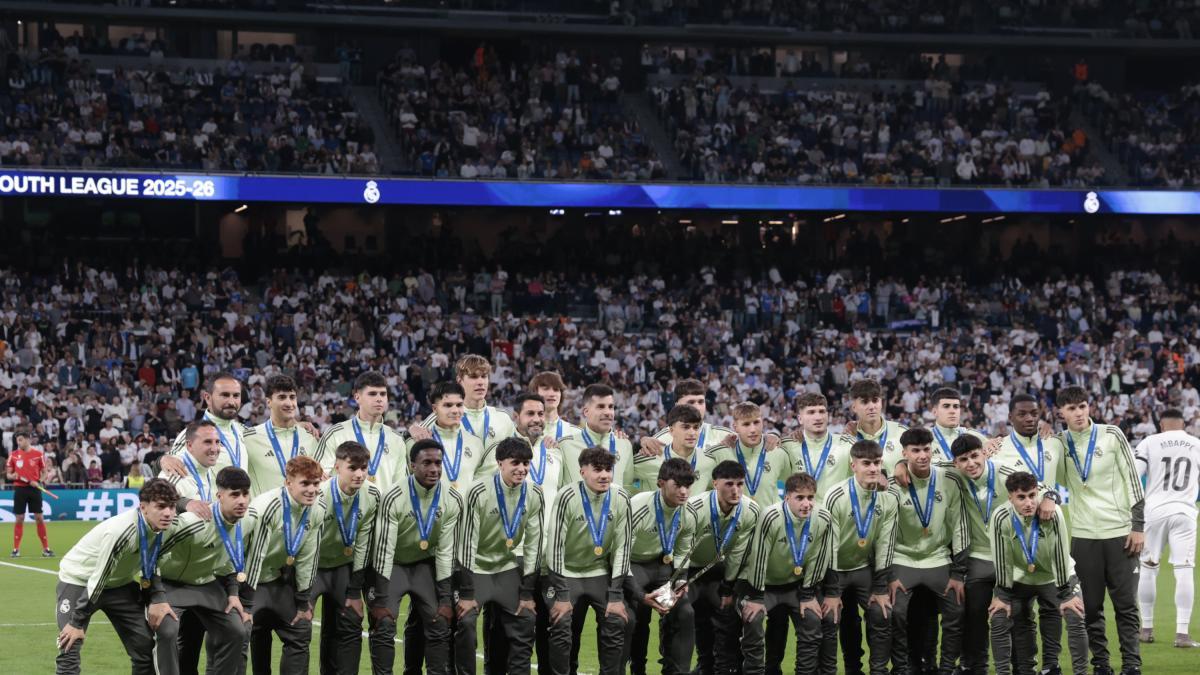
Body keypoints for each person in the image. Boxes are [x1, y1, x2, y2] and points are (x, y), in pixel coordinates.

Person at [1056, 385, 1145, 675]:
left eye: (1082, 406)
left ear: (1088, 406)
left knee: (1126, 606)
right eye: (1071, 409)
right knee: (1090, 608)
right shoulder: (1059, 443)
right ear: (1061, 413)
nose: (1079, 413)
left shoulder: (1112, 434)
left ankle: (1131, 664)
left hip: (1120, 534)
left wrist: (1138, 526)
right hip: (1083, 538)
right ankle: (1102, 665)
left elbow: (1133, 479)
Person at [54, 478, 181, 675]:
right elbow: (99, 579)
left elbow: (153, 562)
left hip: (119, 585)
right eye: (161, 506)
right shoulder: (122, 531)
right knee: (70, 643)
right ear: (143, 507)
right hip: (80, 581)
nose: (168, 513)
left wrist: (158, 597)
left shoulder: (168, 527)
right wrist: (77, 622)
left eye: (172, 507)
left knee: (145, 648)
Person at [369, 438, 463, 675]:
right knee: (384, 622)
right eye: (427, 463)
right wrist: (380, 598)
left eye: (438, 463)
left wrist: (444, 600)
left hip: (424, 566)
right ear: (412, 465)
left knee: (439, 621)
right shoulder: (394, 495)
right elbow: (384, 549)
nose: (434, 469)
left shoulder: (452, 499)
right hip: (393, 566)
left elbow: (445, 552)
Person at [153, 467, 257, 675]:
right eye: (235, 494)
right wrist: (156, 596)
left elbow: (230, 560)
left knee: (237, 631)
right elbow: (153, 551)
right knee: (167, 630)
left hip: (207, 584)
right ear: (219, 496)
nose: (242, 501)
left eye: (245, 494)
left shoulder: (248, 519)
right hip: (172, 585)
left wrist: (234, 594)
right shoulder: (192, 523)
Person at [455, 436, 545, 674]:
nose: (522, 469)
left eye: (526, 463)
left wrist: (527, 593)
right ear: (500, 463)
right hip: (476, 569)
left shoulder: (535, 493)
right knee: (464, 622)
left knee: (526, 619)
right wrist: (466, 592)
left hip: (506, 568)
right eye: (515, 463)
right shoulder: (478, 490)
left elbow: (534, 546)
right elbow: (467, 543)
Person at [988, 471, 1089, 675]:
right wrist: (1003, 596)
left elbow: (1060, 553)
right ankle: (1020, 669)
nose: (1029, 503)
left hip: (1057, 576)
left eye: (1032, 495)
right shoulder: (1001, 516)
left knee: (1075, 614)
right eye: (1021, 497)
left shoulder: (1053, 513)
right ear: (1010, 497)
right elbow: (1002, 560)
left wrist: (1066, 594)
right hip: (1021, 577)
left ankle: (1062, 668)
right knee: (999, 616)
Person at [886, 428, 968, 675]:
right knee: (896, 613)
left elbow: (959, 526)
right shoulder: (892, 485)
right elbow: (884, 534)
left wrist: (958, 573)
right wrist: (889, 576)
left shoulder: (949, 479)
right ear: (904, 453)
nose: (922, 455)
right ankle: (902, 667)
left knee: (956, 611)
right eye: (915, 450)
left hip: (938, 558)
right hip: (903, 558)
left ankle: (945, 668)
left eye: (926, 449)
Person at [546, 446, 632, 675]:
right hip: (567, 572)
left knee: (617, 620)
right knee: (562, 624)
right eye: (597, 470)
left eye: (608, 469)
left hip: (598, 572)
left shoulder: (621, 497)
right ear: (582, 471)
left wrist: (616, 596)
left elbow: (624, 547)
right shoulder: (566, 496)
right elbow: (555, 546)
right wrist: (562, 594)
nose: (604, 475)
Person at [741, 472, 837, 675]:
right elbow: (759, 557)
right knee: (753, 620)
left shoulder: (823, 517)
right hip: (764, 587)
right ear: (787, 497)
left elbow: (819, 558)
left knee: (812, 620)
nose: (806, 504)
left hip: (796, 586)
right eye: (799, 498)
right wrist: (757, 598)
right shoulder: (771, 516)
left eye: (810, 497)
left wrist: (808, 595)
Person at [243, 455, 328, 675]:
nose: (312, 489)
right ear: (288, 483)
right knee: (246, 632)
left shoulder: (318, 507)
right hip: (248, 580)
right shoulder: (269, 506)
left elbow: (309, 556)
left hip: (278, 579)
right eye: (305, 483)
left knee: (300, 630)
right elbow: (255, 555)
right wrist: (245, 604)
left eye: (316, 483)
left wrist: (303, 601)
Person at [821, 440, 897, 675]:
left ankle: (878, 670)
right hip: (834, 570)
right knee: (831, 618)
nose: (873, 468)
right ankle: (837, 670)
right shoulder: (836, 496)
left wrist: (881, 587)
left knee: (881, 613)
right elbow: (828, 546)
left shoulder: (888, 499)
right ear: (853, 465)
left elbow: (885, 544)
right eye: (866, 463)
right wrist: (832, 592)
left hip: (864, 568)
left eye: (877, 463)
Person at [683, 460, 761, 675]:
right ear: (715, 483)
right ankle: (694, 667)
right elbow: (682, 548)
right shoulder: (695, 508)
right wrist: (680, 580)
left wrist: (728, 588)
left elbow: (738, 554)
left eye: (740, 484)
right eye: (729, 484)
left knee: (727, 618)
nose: (735, 490)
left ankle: (725, 668)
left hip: (722, 571)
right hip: (690, 571)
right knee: (684, 616)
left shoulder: (750, 509)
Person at [312, 441, 382, 674]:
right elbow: (304, 543)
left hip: (343, 567)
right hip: (312, 568)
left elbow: (363, 543)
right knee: (299, 629)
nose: (360, 474)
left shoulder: (372, 495)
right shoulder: (319, 495)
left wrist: (354, 591)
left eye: (364, 468)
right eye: (352, 468)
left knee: (350, 625)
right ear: (336, 467)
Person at [623, 457, 696, 675]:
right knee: (636, 616)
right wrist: (638, 594)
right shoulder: (639, 506)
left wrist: (681, 580)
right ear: (661, 483)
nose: (684, 491)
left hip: (663, 570)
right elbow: (621, 553)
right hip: (632, 565)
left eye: (688, 486)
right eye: (678, 485)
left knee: (684, 612)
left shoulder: (688, 512)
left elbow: (683, 552)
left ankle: (676, 671)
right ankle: (637, 669)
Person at [1134, 409, 1200, 648]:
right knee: (1184, 570)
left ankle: (1146, 629)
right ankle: (1182, 634)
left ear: (1161, 425)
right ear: (1184, 424)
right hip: (1184, 512)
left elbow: (1134, 473)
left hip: (1153, 512)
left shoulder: (1150, 442)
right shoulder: (1196, 443)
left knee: (1148, 569)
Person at [948, 433, 1012, 675]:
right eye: (963, 459)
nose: (971, 463)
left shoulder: (1005, 474)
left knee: (1016, 615)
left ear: (985, 453)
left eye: (975, 456)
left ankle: (1023, 665)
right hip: (978, 558)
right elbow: (928, 466)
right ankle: (974, 666)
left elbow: (1039, 488)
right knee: (973, 615)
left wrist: (1049, 498)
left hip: (1009, 559)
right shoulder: (954, 477)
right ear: (956, 463)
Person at [315, 371, 408, 488]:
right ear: (357, 397)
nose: (379, 399)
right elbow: (318, 477)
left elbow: (402, 486)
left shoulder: (397, 439)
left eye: (383, 394)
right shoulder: (335, 433)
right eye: (372, 394)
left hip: (385, 506)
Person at [706, 402, 793, 509]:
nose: (753, 430)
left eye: (756, 422)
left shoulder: (778, 452)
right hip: (733, 524)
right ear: (735, 427)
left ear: (763, 423)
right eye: (746, 424)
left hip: (769, 523)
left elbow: (794, 485)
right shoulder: (720, 453)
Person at [243, 375, 318, 497]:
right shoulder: (249, 438)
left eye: (292, 397)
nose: (289, 403)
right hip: (264, 515)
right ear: (269, 402)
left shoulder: (310, 437)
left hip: (303, 514)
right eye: (282, 397)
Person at [413, 382, 489, 489]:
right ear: (434, 409)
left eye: (459, 405)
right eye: (448, 405)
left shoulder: (476, 444)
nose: (455, 411)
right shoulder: (418, 441)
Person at [557, 384, 635, 488]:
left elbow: (627, 487)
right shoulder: (565, 445)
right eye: (601, 407)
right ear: (586, 412)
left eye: (611, 407)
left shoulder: (624, 444)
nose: (608, 412)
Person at [168, 372, 246, 473]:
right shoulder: (191, 435)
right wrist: (162, 460)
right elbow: (169, 464)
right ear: (208, 398)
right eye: (225, 395)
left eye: (236, 396)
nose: (231, 402)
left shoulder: (243, 431)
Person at [781, 393, 853, 498]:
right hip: (802, 512)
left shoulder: (847, 444)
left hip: (835, 514)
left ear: (827, 415)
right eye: (811, 412)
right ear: (800, 419)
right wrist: (770, 437)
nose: (818, 417)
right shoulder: (787, 446)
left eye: (822, 411)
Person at [633, 404, 718, 493]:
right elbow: (626, 481)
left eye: (696, 427)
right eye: (686, 427)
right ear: (671, 431)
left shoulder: (709, 461)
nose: (692, 433)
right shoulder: (650, 457)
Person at [640, 378, 733, 457]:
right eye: (691, 402)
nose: (697, 407)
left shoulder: (724, 436)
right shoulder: (658, 441)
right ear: (677, 405)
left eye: (701, 402)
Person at [843, 379, 909, 473]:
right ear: (854, 407)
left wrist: (906, 465)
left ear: (881, 403)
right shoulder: (847, 439)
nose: (871, 407)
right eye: (865, 402)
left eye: (875, 400)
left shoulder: (902, 433)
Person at [7, 430, 52, 557]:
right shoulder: (14, 455)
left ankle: (46, 549)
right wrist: (13, 475)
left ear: (28, 439)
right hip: (20, 489)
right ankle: (16, 549)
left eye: (20, 439)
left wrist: (39, 481)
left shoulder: (38, 454)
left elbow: (44, 472)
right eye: (17, 440)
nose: (18, 442)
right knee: (19, 518)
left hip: (35, 489)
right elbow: (9, 474)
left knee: (39, 518)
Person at [530, 371, 580, 440]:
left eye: (556, 389)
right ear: (535, 392)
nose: (552, 394)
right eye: (546, 389)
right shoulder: (524, 433)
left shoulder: (575, 433)